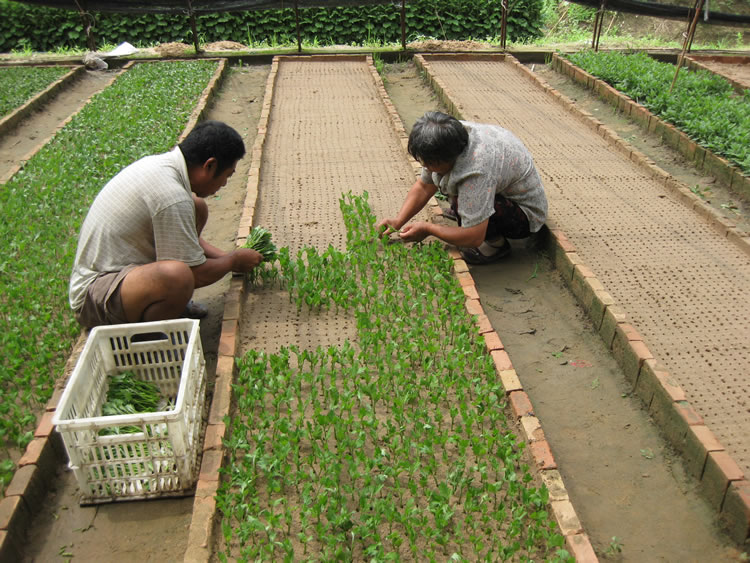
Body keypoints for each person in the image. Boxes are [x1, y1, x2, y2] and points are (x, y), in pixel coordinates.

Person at [69, 120, 262, 329]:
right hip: (96, 295)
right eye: (227, 176)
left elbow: (187, 243)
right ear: (210, 165)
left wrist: (227, 256)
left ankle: (170, 307)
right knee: (179, 277)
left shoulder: (163, 167)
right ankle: (149, 339)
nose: (224, 183)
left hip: (124, 275)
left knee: (196, 206)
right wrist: (233, 262)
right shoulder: (172, 196)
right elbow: (196, 274)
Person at [377, 111, 548, 265]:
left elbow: (474, 236)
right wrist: (397, 221)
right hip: (500, 188)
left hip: (525, 215)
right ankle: (470, 212)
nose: (426, 167)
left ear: (446, 159)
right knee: (462, 199)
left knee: (464, 206)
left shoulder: (476, 170)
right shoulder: (449, 138)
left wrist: (429, 229)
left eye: (429, 163)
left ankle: (496, 245)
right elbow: (424, 186)